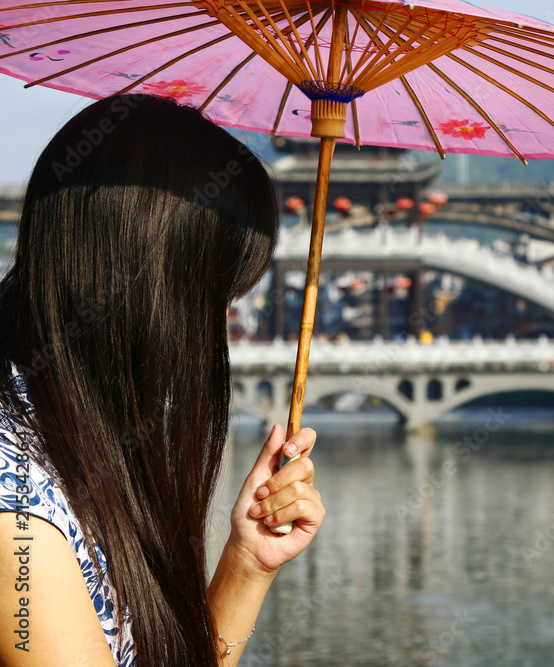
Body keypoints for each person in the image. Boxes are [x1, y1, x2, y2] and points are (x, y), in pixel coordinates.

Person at [0, 95, 325, 666]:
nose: (212, 334)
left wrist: (247, 563)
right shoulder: (18, 517)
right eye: (210, 302)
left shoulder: (65, 434)